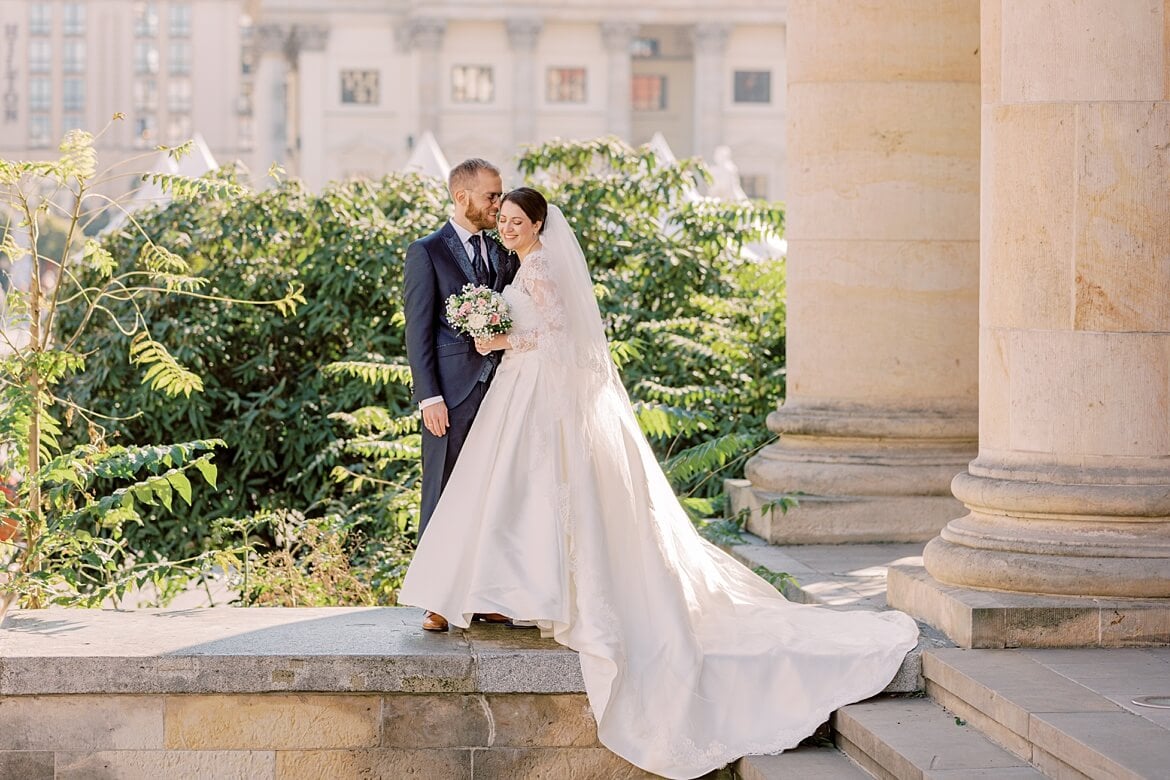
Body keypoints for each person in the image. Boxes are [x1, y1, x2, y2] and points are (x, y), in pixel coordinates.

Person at [397, 188, 919, 779]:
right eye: (506, 221)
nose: (509, 228)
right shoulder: (521, 264)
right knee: (520, 498)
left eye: (519, 221)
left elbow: (560, 337)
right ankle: (521, 593)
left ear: (540, 223)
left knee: (541, 496)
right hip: (525, 393)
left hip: (539, 391)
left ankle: (540, 594)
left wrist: (501, 339)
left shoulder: (541, 267)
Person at [402, 158, 519, 632]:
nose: (498, 204)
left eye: (500, 195)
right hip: (450, 393)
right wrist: (429, 396)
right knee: (445, 491)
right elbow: (418, 328)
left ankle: (486, 594)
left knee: (493, 493)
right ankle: (438, 599)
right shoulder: (426, 251)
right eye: (492, 196)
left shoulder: (504, 250)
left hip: (505, 387)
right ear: (461, 197)